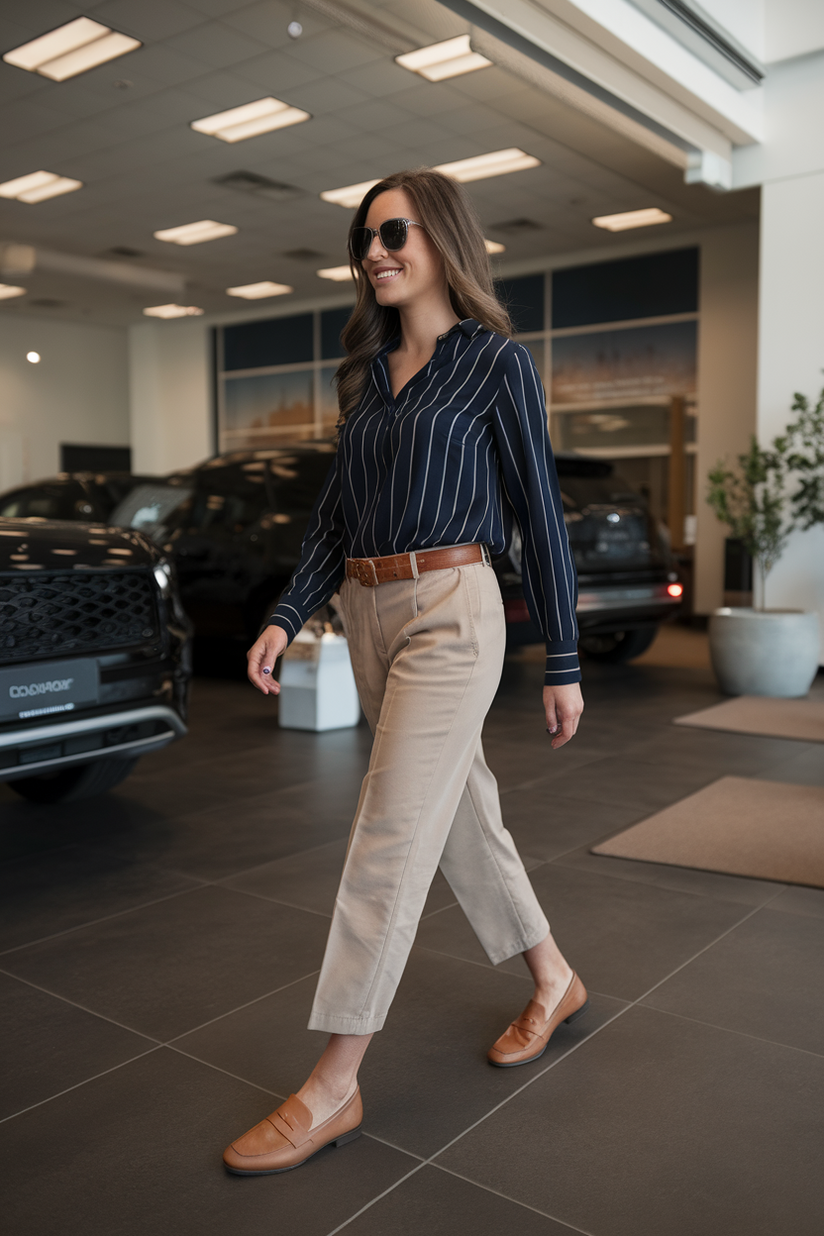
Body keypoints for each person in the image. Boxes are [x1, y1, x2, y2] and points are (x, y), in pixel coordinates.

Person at [222, 168, 586, 1176]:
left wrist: (561, 656)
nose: (374, 251)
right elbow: (333, 516)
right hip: (366, 608)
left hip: (452, 610)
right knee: (458, 815)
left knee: (386, 833)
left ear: (441, 239)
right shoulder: (364, 375)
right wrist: (289, 611)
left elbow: (536, 516)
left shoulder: (493, 366)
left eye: (392, 232)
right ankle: (552, 977)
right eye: (362, 237)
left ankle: (332, 1084)